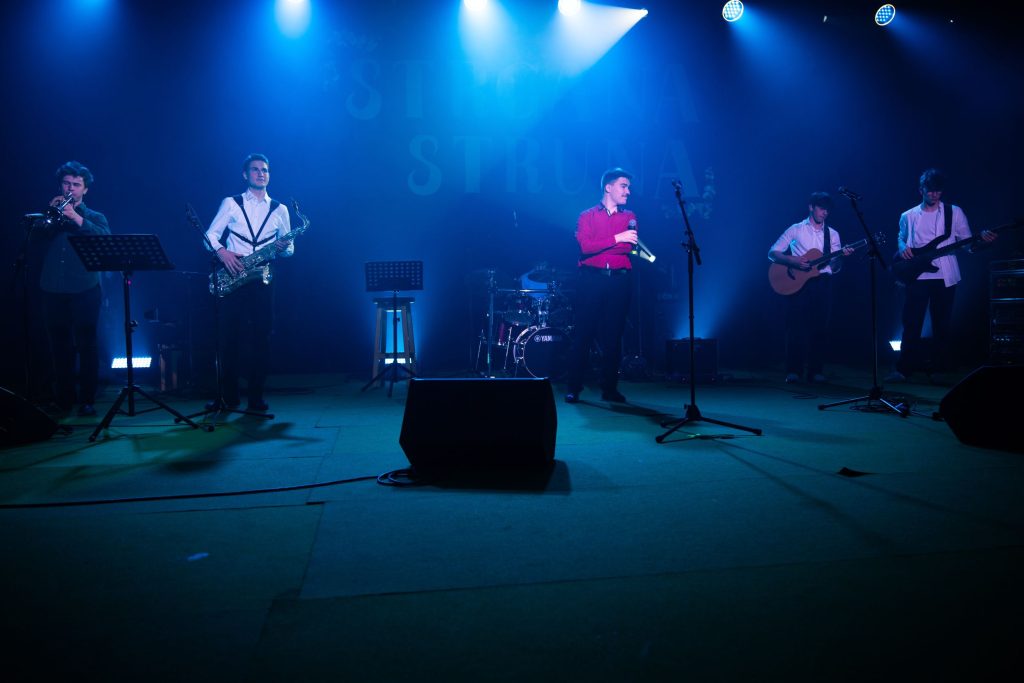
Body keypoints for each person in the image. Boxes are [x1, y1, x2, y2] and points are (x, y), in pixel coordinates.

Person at [203, 153, 293, 412]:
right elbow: (210, 236)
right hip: (234, 273)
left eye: (265, 170)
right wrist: (222, 252)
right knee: (227, 338)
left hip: (262, 277)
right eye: (255, 169)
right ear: (245, 175)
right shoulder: (231, 203)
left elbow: (290, 249)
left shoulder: (280, 209)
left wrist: (284, 248)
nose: (261, 173)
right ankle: (227, 397)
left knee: (261, 338)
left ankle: (256, 397)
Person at [887, 168, 996, 381]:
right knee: (911, 323)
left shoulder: (954, 212)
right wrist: (902, 247)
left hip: (945, 276)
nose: (934, 195)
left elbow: (967, 244)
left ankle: (938, 368)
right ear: (921, 190)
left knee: (941, 323)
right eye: (930, 190)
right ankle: (904, 368)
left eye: (938, 191)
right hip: (917, 275)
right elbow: (901, 236)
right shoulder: (908, 215)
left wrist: (983, 242)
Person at [33, 161, 111, 416]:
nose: (70, 189)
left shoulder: (95, 217)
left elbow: (105, 241)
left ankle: (87, 399)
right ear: (60, 186)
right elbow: (34, 239)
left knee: (86, 346)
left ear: (85, 189)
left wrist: (76, 218)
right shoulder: (50, 215)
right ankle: (63, 399)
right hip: (52, 288)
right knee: (59, 347)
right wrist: (49, 215)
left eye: (76, 185)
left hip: (85, 289)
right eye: (66, 183)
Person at [564, 168, 638, 404]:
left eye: (628, 187)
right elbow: (585, 247)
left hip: (619, 280)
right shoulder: (586, 216)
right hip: (591, 280)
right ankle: (573, 387)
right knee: (583, 334)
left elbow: (628, 247)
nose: (628, 191)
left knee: (613, 336)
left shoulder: (629, 216)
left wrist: (606, 244)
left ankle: (610, 388)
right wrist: (617, 238)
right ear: (608, 187)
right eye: (623, 186)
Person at [768, 192, 854, 383]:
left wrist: (840, 257)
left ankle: (816, 371)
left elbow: (835, 267)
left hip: (823, 282)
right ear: (811, 207)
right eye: (821, 208)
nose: (825, 213)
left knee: (820, 327)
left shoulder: (832, 234)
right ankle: (793, 370)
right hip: (798, 284)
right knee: (795, 327)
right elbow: (772, 253)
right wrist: (793, 261)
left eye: (827, 210)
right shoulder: (796, 229)